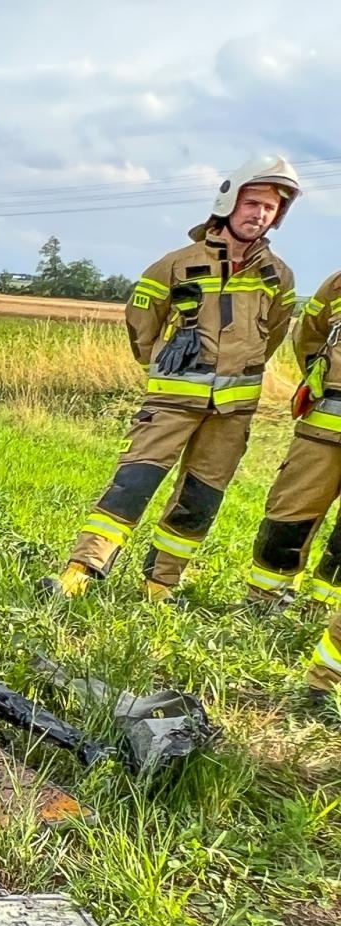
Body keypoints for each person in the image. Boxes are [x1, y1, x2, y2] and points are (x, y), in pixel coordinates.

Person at [42, 155, 300, 603]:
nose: (259, 214)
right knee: (132, 485)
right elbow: (141, 324)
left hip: (232, 415)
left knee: (199, 501)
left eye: (270, 208)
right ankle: (80, 572)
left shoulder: (278, 278)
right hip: (170, 406)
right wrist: (164, 371)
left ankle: (161, 585)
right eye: (252, 202)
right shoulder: (176, 265)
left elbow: (274, 334)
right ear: (229, 200)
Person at [247, 268, 341, 607]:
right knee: (289, 515)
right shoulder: (337, 284)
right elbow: (309, 337)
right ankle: (264, 599)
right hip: (322, 430)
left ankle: (323, 610)